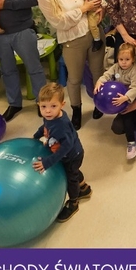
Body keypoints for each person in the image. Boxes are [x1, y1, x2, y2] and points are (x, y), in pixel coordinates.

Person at [38, 0, 105, 130]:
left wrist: (100, 10)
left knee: (98, 73)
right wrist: (83, 9)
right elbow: (59, 22)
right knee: (74, 79)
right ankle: (76, 110)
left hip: (94, 35)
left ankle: (99, 104)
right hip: (72, 41)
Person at [33, 82, 92, 223]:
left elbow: (66, 147)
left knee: (71, 177)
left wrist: (48, 162)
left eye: (53, 106)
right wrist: (36, 136)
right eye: (43, 106)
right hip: (68, 154)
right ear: (39, 105)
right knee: (74, 172)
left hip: (71, 155)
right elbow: (45, 126)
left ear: (62, 105)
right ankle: (84, 188)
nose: (48, 111)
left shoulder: (62, 125)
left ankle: (74, 202)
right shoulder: (50, 117)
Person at [95, 42, 136, 161]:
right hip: (124, 101)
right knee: (127, 121)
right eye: (121, 59)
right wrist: (100, 81)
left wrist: (126, 97)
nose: (124, 62)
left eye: (127, 59)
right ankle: (131, 143)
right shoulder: (116, 67)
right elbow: (107, 75)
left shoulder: (135, 70)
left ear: (133, 59)